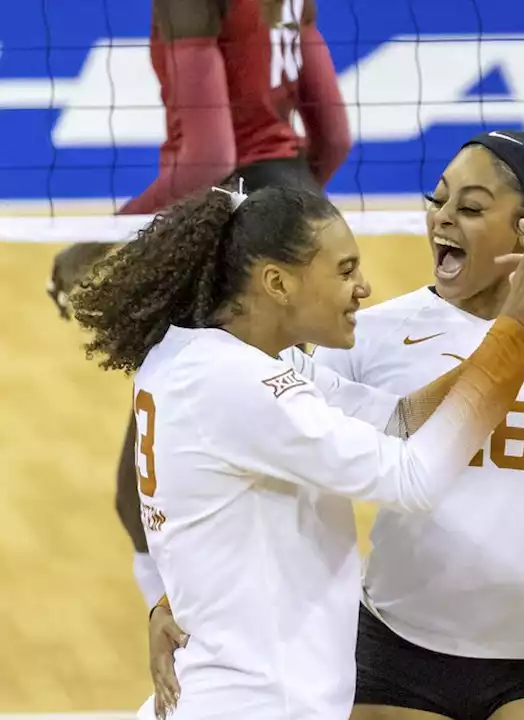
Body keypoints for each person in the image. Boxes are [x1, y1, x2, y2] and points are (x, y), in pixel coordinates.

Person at [146, 129, 524, 720]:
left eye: (470, 209)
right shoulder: (367, 334)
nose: (441, 218)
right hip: (400, 645)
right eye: (437, 199)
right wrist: (177, 588)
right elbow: (236, 455)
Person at [70, 180, 524, 720]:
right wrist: (518, 329)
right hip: (262, 704)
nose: (364, 287)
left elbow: (397, 418)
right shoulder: (238, 385)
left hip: (224, 691)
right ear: (277, 282)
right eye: (345, 270)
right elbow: (414, 478)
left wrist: (505, 332)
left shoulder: (204, 355)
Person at [47, 0, 350, 610]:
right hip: (296, 219)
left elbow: (208, 162)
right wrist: (288, 220)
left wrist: (101, 242)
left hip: (228, 230)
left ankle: (190, 661)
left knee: (144, 489)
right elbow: (334, 137)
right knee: (276, 466)